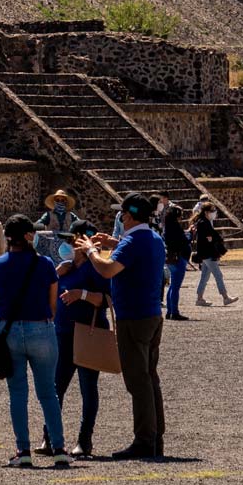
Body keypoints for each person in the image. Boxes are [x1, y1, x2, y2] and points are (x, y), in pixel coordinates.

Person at [75, 191, 166, 460]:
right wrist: (114, 241)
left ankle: (144, 440)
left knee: (137, 380)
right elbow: (135, 253)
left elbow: (107, 269)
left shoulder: (134, 241)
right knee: (150, 378)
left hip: (133, 317)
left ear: (127, 215)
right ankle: (155, 437)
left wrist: (91, 251)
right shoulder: (152, 237)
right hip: (150, 315)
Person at [0, 214, 66, 468]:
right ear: (30, 236)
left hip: (10, 331)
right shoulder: (45, 265)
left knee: (17, 393)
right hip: (41, 327)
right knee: (48, 393)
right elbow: (53, 304)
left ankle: (23, 449)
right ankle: (59, 447)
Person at [53, 220, 109, 457]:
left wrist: (82, 294)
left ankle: (84, 440)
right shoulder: (67, 267)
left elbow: (105, 299)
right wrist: (57, 274)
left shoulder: (97, 267)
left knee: (88, 388)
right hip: (63, 332)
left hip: (88, 332)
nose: (67, 244)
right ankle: (51, 437)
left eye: (71, 240)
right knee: (56, 386)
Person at [192, 206, 236, 307]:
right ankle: (225, 297)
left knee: (205, 277)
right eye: (212, 211)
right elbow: (210, 238)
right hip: (208, 254)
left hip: (205, 253)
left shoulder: (203, 222)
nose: (214, 213)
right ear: (207, 212)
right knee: (218, 275)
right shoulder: (204, 223)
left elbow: (211, 237)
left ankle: (199, 299)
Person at [161, 203, 190, 321]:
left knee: (172, 286)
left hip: (171, 258)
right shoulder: (176, 228)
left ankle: (169, 311)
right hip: (179, 258)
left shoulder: (167, 227)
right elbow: (183, 241)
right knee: (176, 287)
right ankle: (175, 311)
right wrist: (190, 235)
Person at [38, 190, 81, 263]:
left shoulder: (71, 215)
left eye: (62, 200)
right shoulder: (48, 215)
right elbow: (39, 223)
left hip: (67, 246)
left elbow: (80, 224)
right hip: (51, 245)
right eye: (57, 200)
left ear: (65, 202)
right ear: (54, 201)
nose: (60, 202)